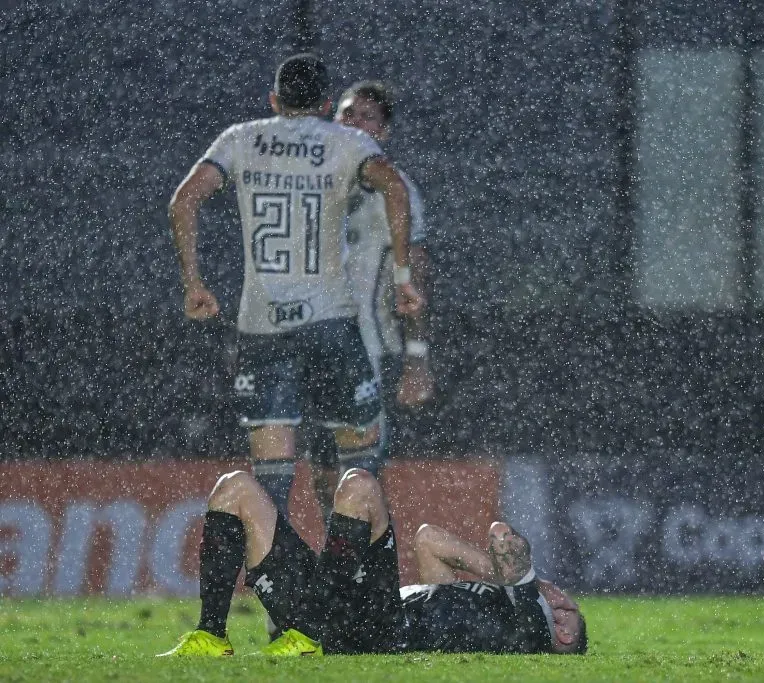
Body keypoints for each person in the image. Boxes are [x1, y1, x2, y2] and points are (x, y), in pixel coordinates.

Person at [168, 54, 423, 520]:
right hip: (331, 322)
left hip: (262, 325)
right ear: (326, 106)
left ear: (273, 100)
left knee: (272, 472)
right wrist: (404, 278)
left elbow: (183, 201)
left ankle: (278, 563)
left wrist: (193, 283)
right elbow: (395, 188)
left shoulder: (240, 138)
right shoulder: (346, 144)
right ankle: (358, 562)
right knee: (358, 460)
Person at [157, 467, 588, 656]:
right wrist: (498, 579)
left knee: (360, 487)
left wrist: (528, 584)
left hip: (380, 627)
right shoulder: (486, 607)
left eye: (566, 608)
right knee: (234, 488)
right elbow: (428, 540)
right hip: (340, 606)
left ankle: (310, 631)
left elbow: (501, 536)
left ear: (564, 633)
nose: (561, 599)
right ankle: (211, 635)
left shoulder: (530, 629)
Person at [305, 80, 435, 512]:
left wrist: (417, 357)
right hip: (311, 342)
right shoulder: (309, 180)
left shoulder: (396, 191)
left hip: (367, 348)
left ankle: (363, 551)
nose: (354, 122)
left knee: (359, 472)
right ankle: (337, 549)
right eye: (348, 113)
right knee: (323, 471)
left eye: (367, 117)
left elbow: (417, 275)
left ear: (383, 131)